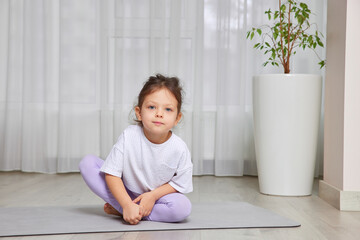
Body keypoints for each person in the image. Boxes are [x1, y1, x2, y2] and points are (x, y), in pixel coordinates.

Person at [79, 74, 193, 225]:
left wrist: (152, 196)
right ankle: (126, 208)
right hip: (125, 192)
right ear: (139, 113)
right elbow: (112, 173)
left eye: (168, 109)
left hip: (157, 197)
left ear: (177, 118)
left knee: (182, 208)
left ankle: (126, 211)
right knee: (88, 163)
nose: (159, 113)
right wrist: (126, 203)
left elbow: (180, 184)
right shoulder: (129, 136)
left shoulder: (179, 148)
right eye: (152, 107)